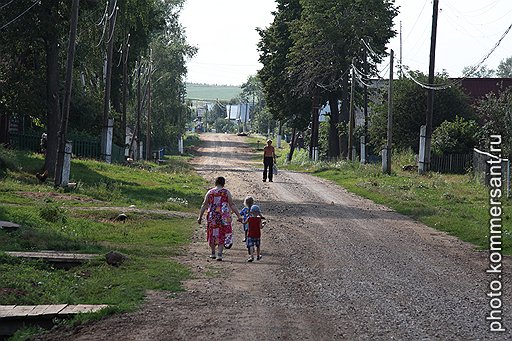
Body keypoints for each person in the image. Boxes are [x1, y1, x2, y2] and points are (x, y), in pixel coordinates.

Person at [197, 176, 242, 261]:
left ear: (215, 183)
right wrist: (239, 215)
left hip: (212, 216)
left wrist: (200, 217)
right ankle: (220, 254)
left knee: (212, 233)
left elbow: (204, 205)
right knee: (221, 233)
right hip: (223, 217)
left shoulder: (210, 192)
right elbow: (232, 204)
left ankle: (213, 253)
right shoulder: (226, 192)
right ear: (223, 183)